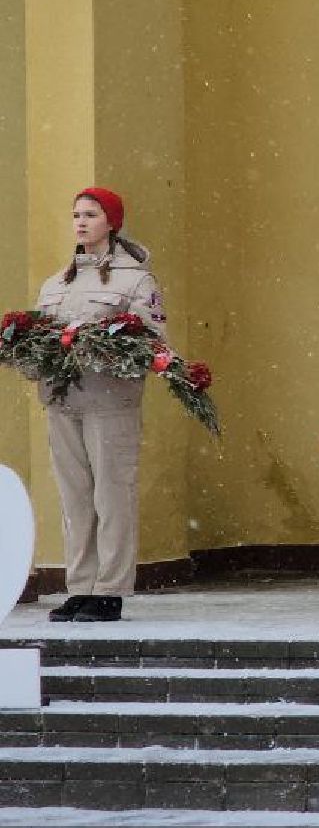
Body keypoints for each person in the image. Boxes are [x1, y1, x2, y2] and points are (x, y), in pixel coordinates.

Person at [32, 188, 167, 623]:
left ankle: (109, 588)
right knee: (74, 497)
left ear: (112, 221)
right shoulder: (56, 284)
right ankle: (80, 586)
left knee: (112, 493)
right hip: (63, 401)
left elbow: (152, 342)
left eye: (91, 214)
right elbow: (37, 340)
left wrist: (106, 346)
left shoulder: (136, 281)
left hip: (110, 402)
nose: (81, 222)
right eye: (76, 215)